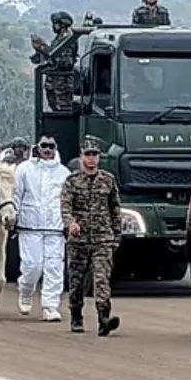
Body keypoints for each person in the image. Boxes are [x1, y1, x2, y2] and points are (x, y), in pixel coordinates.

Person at [61, 136, 124, 335]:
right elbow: (65, 207)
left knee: (101, 279)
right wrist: (71, 224)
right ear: (81, 157)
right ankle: (76, 316)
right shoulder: (72, 181)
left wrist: (116, 235)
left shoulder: (108, 180)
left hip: (102, 238)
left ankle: (104, 318)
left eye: (94, 155)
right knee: (77, 281)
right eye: (87, 155)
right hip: (79, 240)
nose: (91, 159)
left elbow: (115, 207)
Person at [14, 135, 72, 321]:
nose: (47, 150)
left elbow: (69, 200)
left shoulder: (64, 173)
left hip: (55, 227)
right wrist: (13, 217)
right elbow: (16, 194)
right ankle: (25, 290)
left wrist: (69, 222)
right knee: (33, 266)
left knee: (54, 267)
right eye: (44, 146)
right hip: (30, 225)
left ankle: (50, 306)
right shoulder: (23, 169)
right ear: (37, 147)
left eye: (51, 146)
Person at [31, 11, 79, 112]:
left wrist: (43, 48)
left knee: (63, 111)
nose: (53, 26)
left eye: (55, 23)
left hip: (62, 82)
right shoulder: (59, 38)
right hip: (54, 80)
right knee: (55, 108)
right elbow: (52, 55)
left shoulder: (68, 39)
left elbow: (65, 62)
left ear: (62, 24)